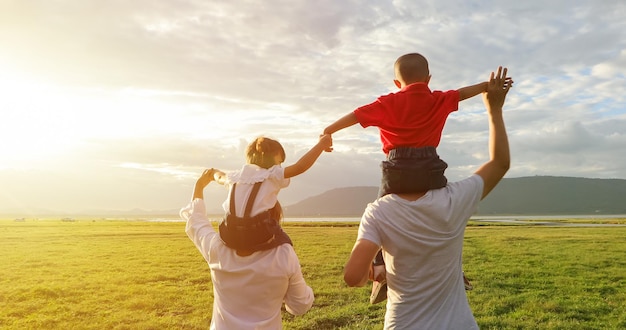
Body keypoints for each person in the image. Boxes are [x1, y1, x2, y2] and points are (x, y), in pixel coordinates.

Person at [324, 53, 509, 303]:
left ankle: (380, 272)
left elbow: (355, 116)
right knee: (447, 224)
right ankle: (458, 271)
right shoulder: (438, 98)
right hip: (430, 170)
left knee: (380, 213)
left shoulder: (386, 102)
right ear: (429, 78)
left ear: (397, 83)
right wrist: (487, 88)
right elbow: (464, 93)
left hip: (396, 171)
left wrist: (328, 130)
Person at [181, 134, 332, 329]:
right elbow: (301, 166)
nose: (280, 165)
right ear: (276, 154)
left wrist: (202, 183)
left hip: (231, 232)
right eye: (280, 160)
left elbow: (197, 220)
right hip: (255, 234)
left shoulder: (216, 248)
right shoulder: (283, 254)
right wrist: (321, 145)